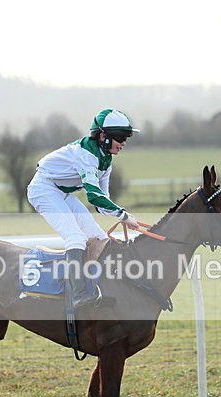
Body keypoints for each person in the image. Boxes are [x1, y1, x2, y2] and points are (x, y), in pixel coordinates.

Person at [27, 108, 141, 310]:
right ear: (103, 136)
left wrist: (121, 216)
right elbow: (93, 195)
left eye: (126, 138)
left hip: (61, 192)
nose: (123, 143)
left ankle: (99, 289)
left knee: (99, 237)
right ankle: (76, 295)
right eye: (120, 138)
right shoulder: (87, 154)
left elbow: (101, 202)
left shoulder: (106, 160)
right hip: (43, 189)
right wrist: (124, 215)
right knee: (76, 238)